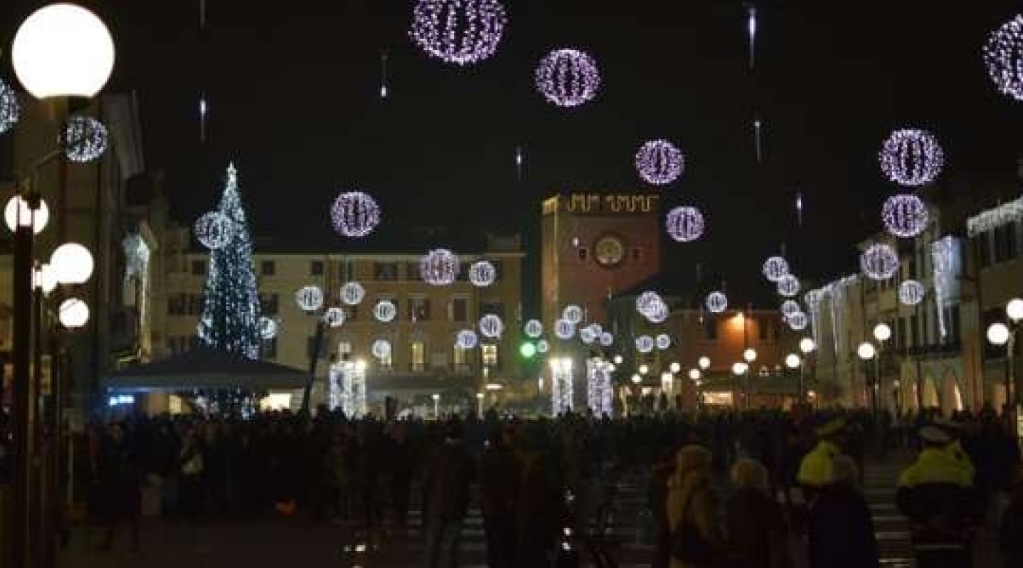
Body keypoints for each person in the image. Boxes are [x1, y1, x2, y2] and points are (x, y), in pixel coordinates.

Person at [896, 425, 978, 568]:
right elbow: (972, 501)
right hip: (954, 536)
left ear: (924, 445)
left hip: (925, 538)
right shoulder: (960, 471)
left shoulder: (912, 473)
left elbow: (902, 501)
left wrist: (923, 519)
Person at [422, 418, 476, 568]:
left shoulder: (437, 453)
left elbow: (426, 480)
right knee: (451, 546)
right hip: (457, 505)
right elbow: (474, 477)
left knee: (433, 544)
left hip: (437, 504)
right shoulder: (466, 456)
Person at [806, 455, 878, 567]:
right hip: (853, 561)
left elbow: (814, 540)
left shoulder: (820, 502)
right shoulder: (855, 501)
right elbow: (866, 539)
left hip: (827, 561)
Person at [725, 458, 792, 568]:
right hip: (763, 557)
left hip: (740, 557)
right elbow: (780, 533)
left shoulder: (731, 503)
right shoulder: (766, 502)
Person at [665, 444, 724, 568]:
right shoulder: (700, 490)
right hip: (698, 558)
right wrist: (722, 547)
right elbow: (707, 527)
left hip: (679, 556)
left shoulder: (674, 488)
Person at [479, 426, 520, 568]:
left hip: (490, 506)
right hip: (507, 506)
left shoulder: (485, 457)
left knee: (492, 542)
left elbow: (481, 481)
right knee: (508, 542)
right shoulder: (512, 457)